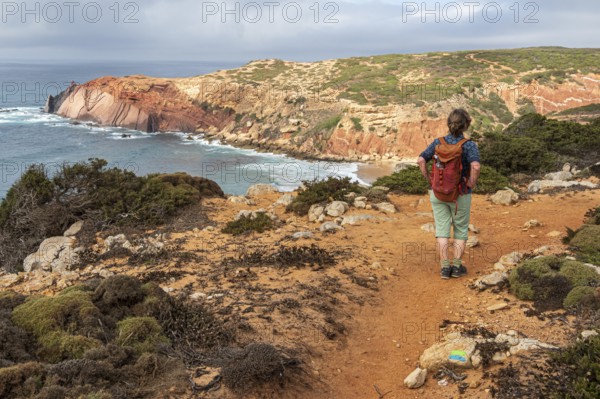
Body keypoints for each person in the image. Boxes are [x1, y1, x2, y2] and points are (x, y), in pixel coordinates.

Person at [417, 109, 481, 279]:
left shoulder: (438, 142)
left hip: (437, 193)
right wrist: (471, 183)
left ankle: (445, 268)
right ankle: (457, 267)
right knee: (460, 230)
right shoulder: (468, 145)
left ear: (448, 123)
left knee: (442, 230)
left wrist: (429, 179)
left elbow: (421, 159)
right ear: (466, 125)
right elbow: (475, 166)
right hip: (460, 194)